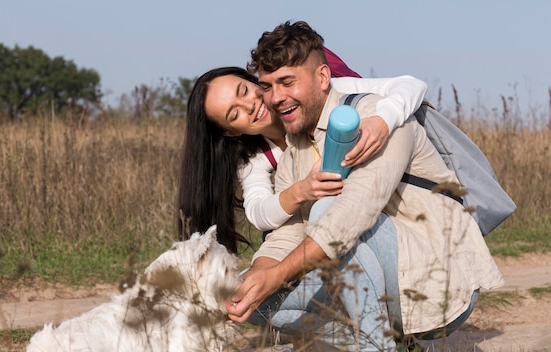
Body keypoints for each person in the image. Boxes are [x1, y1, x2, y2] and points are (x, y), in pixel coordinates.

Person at [223, 20, 505, 351]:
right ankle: (374, 341)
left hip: (438, 283)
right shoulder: (292, 152)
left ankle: (375, 342)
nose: (276, 98)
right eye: (267, 86)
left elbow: (349, 217)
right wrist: (258, 275)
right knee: (243, 301)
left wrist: (280, 273)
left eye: (287, 82)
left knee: (330, 213)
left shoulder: (376, 120)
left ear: (323, 78)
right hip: (376, 283)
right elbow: (287, 232)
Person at [178, 59, 428, 254]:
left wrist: (383, 120)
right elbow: (258, 212)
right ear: (231, 132)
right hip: (329, 226)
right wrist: (301, 191)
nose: (250, 105)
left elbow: (411, 84)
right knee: (281, 230)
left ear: (255, 81)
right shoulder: (256, 157)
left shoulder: (326, 93)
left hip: (387, 206)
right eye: (234, 114)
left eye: (244, 91)